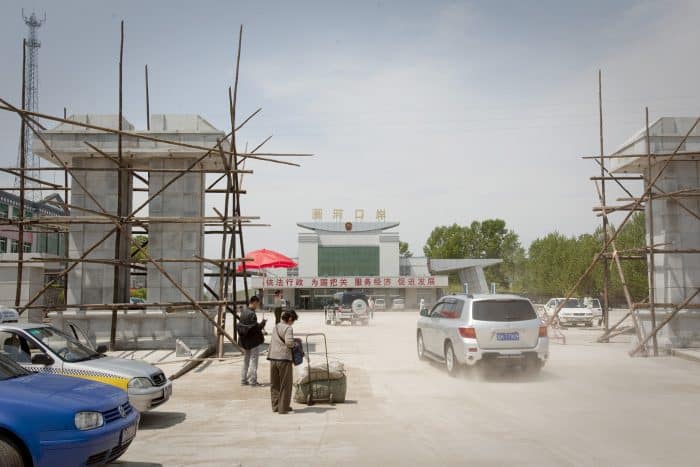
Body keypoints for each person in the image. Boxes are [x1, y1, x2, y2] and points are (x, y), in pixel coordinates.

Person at [268, 309, 298, 414]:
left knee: (275, 384)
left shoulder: (276, 327)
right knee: (286, 384)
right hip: (283, 359)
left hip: (273, 358)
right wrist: (296, 344)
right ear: (290, 319)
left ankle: (275, 406)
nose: (293, 323)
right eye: (293, 321)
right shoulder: (288, 328)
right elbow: (289, 343)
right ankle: (283, 407)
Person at [237, 296, 266, 386]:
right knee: (254, 360)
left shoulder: (243, 312)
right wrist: (262, 324)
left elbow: (247, 326)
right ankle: (253, 381)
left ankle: (243, 379)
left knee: (246, 360)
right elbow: (255, 329)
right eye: (257, 304)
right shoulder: (252, 314)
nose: (257, 306)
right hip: (253, 342)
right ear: (254, 302)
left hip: (244, 341)